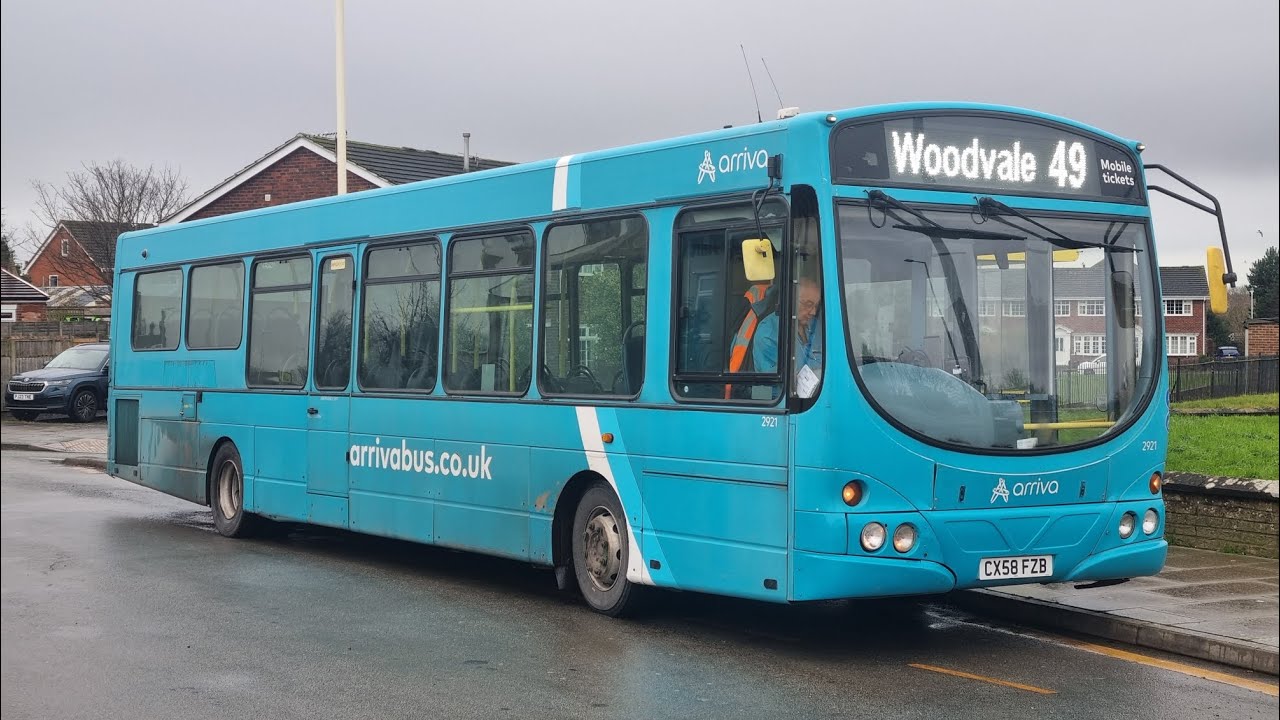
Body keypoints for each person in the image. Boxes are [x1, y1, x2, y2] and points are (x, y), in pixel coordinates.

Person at [753, 277, 823, 396]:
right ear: (791, 299)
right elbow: (778, 379)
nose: (813, 312)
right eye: (808, 305)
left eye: (816, 306)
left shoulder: (816, 326)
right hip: (784, 401)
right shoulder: (769, 331)